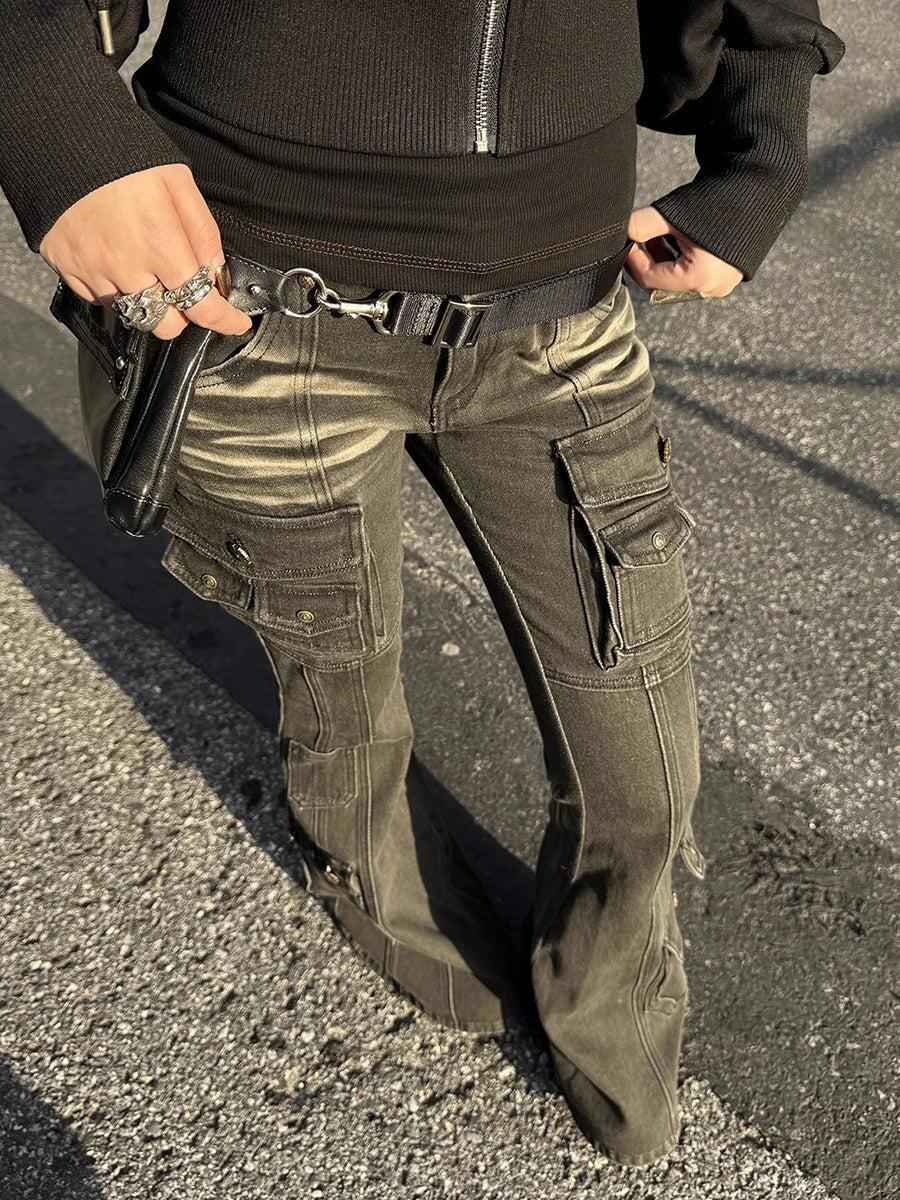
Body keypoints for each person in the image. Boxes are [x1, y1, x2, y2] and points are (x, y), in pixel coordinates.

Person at [0, 0, 843, 1168]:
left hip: (562, 320)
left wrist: (764, 148)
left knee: (642, 767)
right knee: (343, 714)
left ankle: (607, 1000)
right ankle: (388, 906)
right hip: (249, 309)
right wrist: (50, 109)